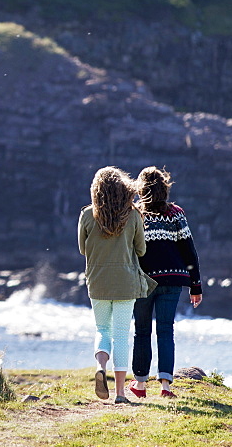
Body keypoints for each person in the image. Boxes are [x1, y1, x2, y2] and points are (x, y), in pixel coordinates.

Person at [78, 166, 156, 404]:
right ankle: (121, 394)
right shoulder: (133, 215)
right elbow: (141, 249)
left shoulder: (87, 215)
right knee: (121, 335)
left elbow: (83, 249)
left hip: (98, 280)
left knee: (103, 330)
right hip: (125, 282)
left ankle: (101, 366)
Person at [128, 166, 203, 399]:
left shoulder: (135, 213)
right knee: (165, 331)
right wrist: (196, 285)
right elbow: (189, 250)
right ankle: (165, 386)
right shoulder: (176, 213)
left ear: (141, 189)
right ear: (165, 188)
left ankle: (140, 385)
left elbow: (129, 250)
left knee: (142, 331)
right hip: (172, 281)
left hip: (143, 282)